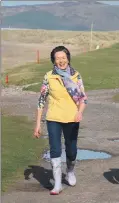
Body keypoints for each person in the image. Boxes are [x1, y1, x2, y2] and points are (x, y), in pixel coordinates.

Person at [34, 46, 88, 195]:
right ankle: (57, 184)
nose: (61, 61)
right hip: (54, 118)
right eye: (58, 58)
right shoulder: (49, 76)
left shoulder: (76, 76)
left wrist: (79, 113)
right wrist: (38, 124)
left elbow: (83, 99)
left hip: (72, 118)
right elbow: (41, 101)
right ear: (54, 60)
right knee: (55, 149)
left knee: (71, 150)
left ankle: (70, 171)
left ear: (68, 58)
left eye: (63, 57)